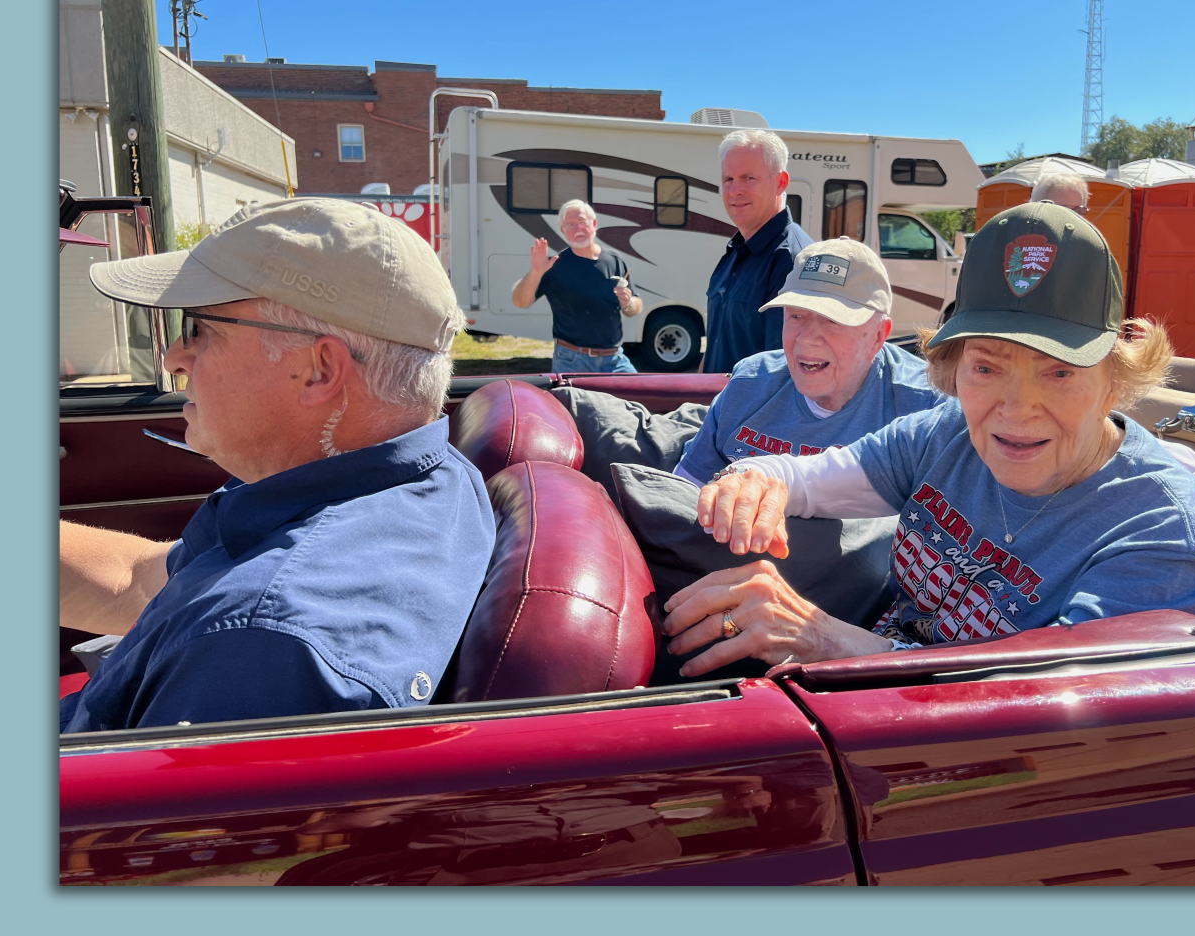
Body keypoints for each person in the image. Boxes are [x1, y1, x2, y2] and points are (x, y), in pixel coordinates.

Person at [660, 201, 1195, 676]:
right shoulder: (946, 434)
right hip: (853, 689)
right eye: (987, 367)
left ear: (1116, 379)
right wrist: (755, 477)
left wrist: (826, 640)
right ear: (954, 369)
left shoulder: (1159, 529)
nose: (1016, 408)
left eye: (1059, 372)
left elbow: (1044, 704)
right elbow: (809, 478)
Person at [59, 197, 495, 733]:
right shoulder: (427, 477)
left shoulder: (255, 645)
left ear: (319, 370)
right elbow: (148, 581)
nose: (175, 356)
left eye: (200, 327)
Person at [673, 237, 942, 486]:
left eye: (832, 320)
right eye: (796, 316)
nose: (807, 340)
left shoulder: (924, 409)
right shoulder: (749, 383)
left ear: (878, 336)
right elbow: (686, 490)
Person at [702, 129, 814, 373]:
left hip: (751, 411)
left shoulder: (793, 261)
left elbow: (783, 372)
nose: (734, 190)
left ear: (781, 183)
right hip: (715, 407)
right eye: (728, 179)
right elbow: (716, 345)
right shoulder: (734, 252)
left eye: (748, 178)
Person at [510, 199, 642, 374]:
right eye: (570, 225)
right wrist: (535, 272)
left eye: (582, 222)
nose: (578, 229)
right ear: (563, 231)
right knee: (572, 403)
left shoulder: (614, 260)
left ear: (594, 224)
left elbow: (636, 306)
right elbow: (520, 302)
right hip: (572, 360)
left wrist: (628, 303)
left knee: (639, 397)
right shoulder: (555, 266)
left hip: (615, 360)